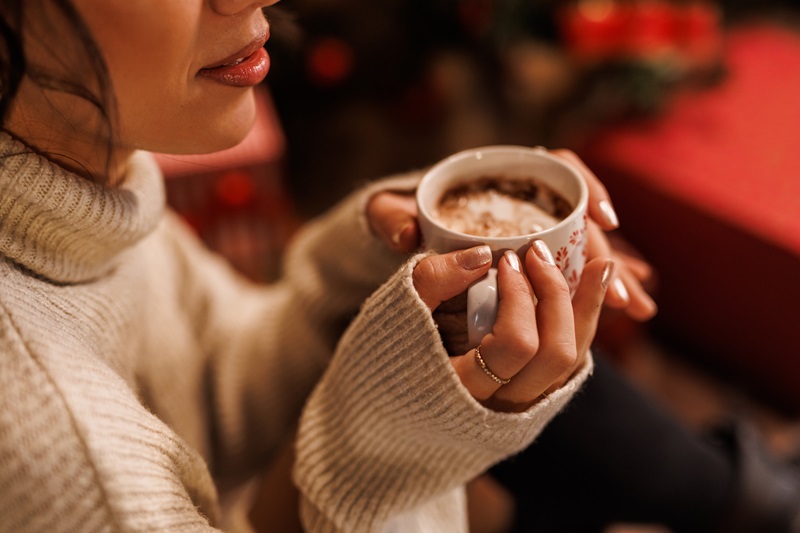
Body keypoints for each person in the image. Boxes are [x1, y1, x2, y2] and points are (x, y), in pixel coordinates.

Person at [0, 1, 642, 531]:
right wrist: (390, 456)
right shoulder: (62, 461)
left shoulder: (80, 187)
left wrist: (367, 261)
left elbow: (219, 388)